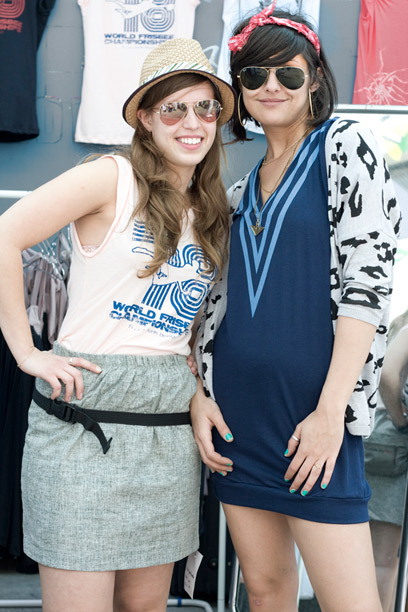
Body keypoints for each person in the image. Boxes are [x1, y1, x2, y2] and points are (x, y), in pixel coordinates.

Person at [0, 38, 235, 612]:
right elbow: (5, 234)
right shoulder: (112, 177)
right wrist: (27, 353)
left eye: (205, 108)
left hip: (166, 434)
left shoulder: (211, 209)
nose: (192, 122)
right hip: (83, 425)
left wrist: (197, 393)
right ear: (146, 119)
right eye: (173, 108)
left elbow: (181, 326)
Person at [191, 3, 401, 611]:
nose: (271, 86)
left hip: (314, 422)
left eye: (287, 72)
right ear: (239, 89)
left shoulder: (344, 146)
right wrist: (199, 395)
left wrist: (331, 413)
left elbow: (368, 285)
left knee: (350, 604)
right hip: (239, 424)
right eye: (253, 75)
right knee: (265, 592)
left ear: (314, 78)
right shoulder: (238, 191)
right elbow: (205, 314)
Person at [365, 308, 408, 612]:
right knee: (384, 557)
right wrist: (400, 419)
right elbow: (388, 374)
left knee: (379, 555)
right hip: (393, 442)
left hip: (383, 440)